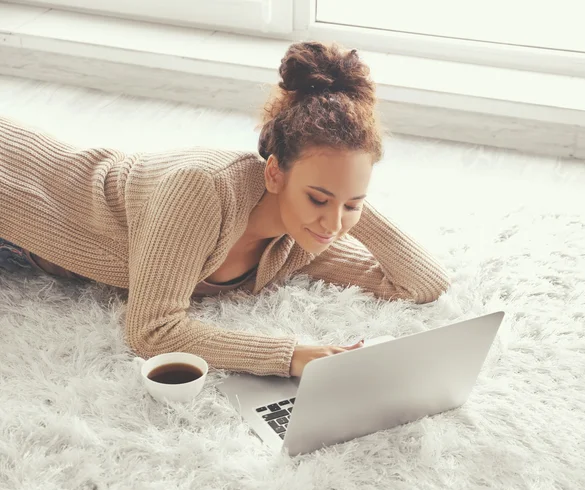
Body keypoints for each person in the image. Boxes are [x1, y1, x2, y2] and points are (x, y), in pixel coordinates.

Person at [0, 42, 449, 378]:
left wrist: (344, 196)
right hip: (18, 197)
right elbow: (151, 330)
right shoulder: (203, 189)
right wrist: (291, 356)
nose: (334, 224)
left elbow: (420, 284)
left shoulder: (305, 239)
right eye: (317, 198)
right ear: (274, 174)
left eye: (353, 205)